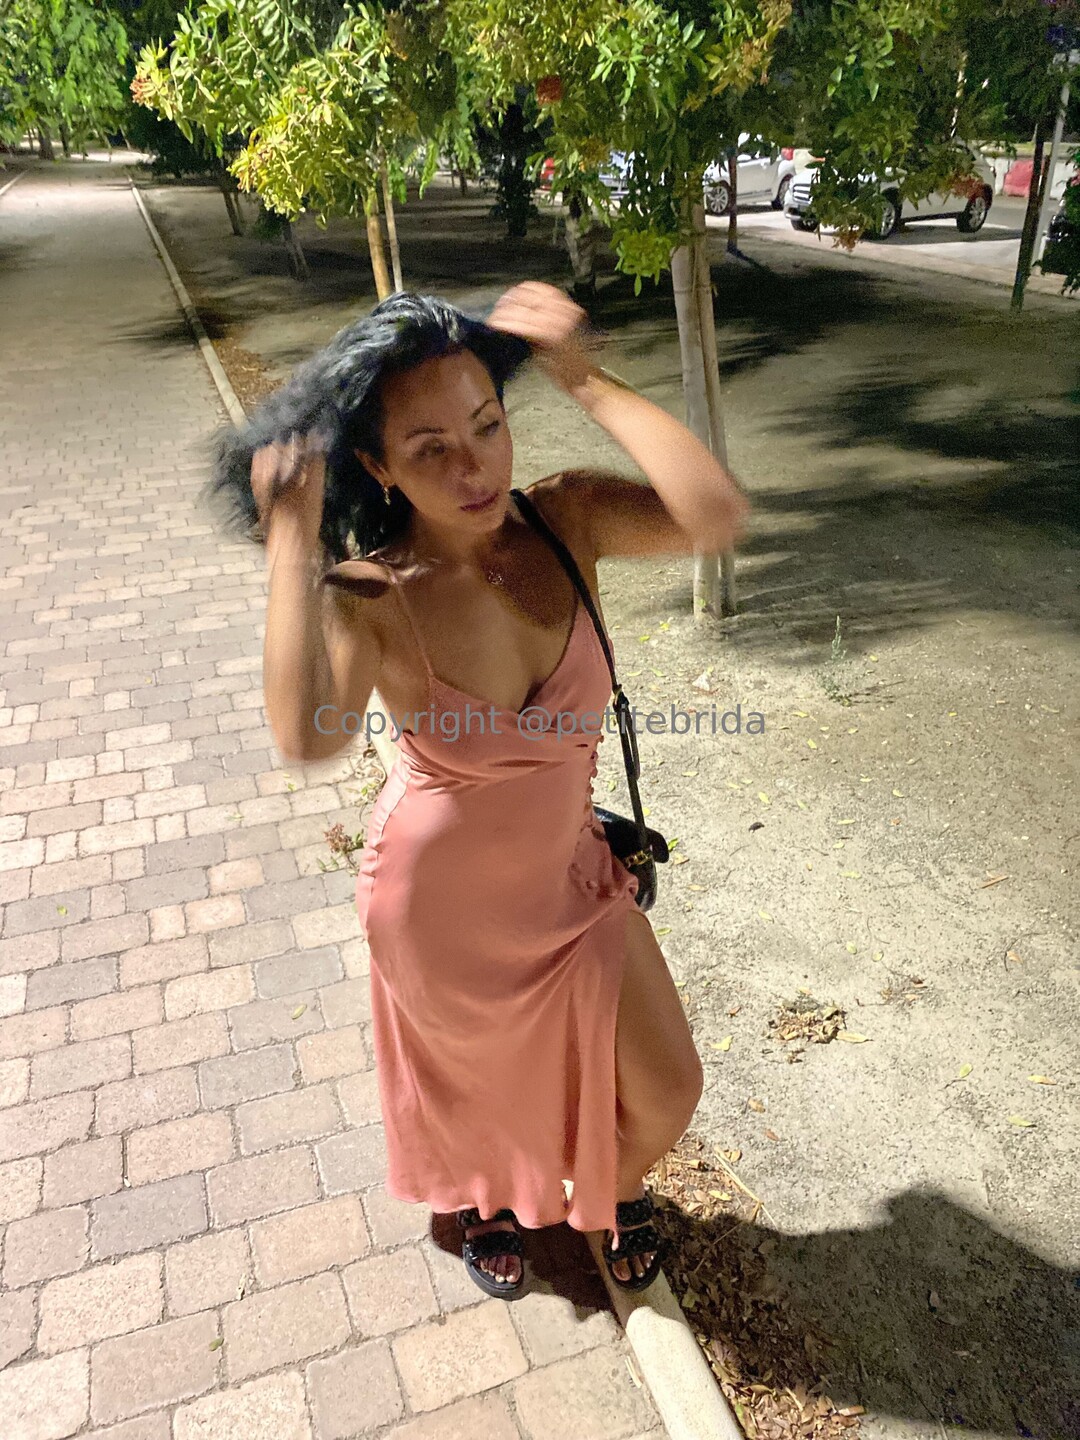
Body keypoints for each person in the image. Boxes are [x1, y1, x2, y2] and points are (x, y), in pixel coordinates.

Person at [206, 281, 748, 1298]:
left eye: (488, 426)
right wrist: (291, 540)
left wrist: (586, 380)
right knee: (475, 1088)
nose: (474, 469)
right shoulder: (372, 591)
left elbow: (714, 515)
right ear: (378, 467)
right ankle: (486, 1198)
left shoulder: (566, 518)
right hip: (439, 908)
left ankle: (611, 1183)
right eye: (430, 450)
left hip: (569, 875)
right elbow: (308, 736)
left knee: (669, 1086)